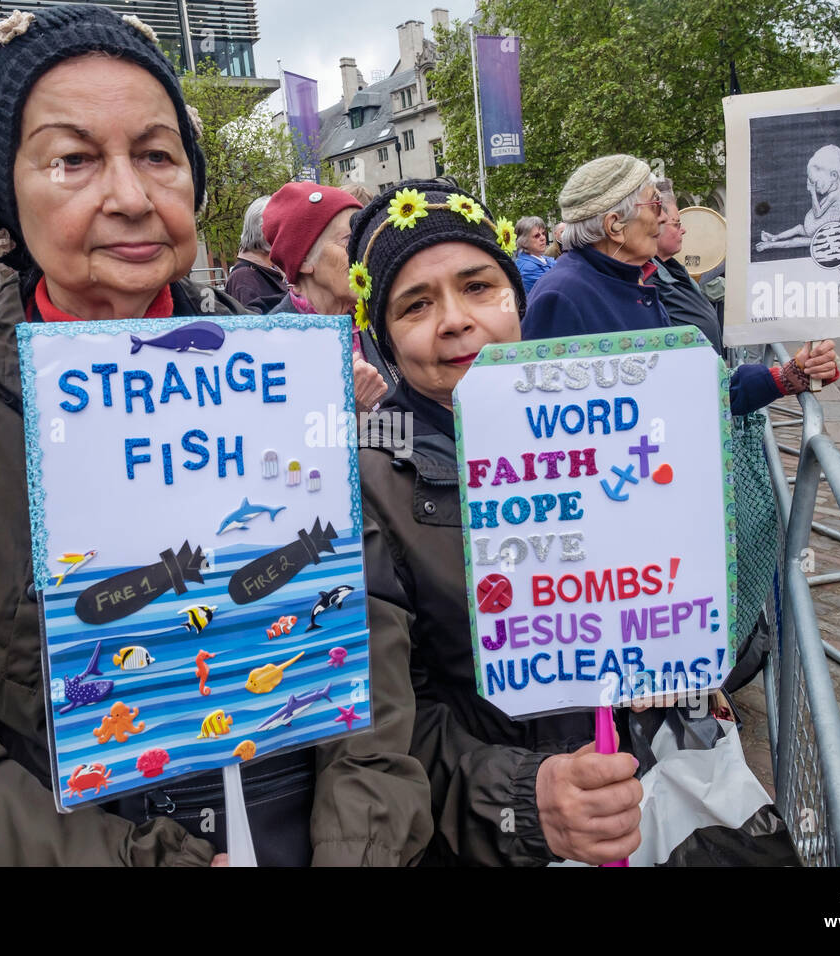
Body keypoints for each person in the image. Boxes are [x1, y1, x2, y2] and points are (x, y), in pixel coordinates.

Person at [0, 5, 430, 867]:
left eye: (157, 156)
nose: (131, 198)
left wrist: (358, 846)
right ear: (3, 196)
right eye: (73, 160)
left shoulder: (280, 371)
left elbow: (367, 633)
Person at [346, 180, 644, 865]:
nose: (454, 320)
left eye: (478, 286)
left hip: (618, 804)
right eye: (416, 304)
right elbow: (382, 731)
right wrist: (527, 798)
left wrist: (680, 673)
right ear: (385, 338)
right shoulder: (364, 482)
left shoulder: (601, 427)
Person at [525, 155, 838, 413]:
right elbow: (554, 429)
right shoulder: (563, 296)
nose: (663, 219)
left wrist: (789, 375)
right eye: (656, 206)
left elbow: (687, 390)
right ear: (615, 226)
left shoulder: (626, 278)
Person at [262, 182, 392, 409]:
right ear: (304, 260)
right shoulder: (270, 343)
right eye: (349, 241)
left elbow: (409, 425)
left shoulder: (375, 320)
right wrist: (353, 407)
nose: (364, 253)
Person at [646, 179, 724, 352]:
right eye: (676, 224)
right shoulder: (646, 279)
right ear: (654, 225)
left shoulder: (672, 269)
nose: (683, 230)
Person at [755, 144, 840, 251]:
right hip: (811, 230)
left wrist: (812, 193)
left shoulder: (834, 195)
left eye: (816, 183)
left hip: (821, 236)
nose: (815, 188)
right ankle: (775, 237)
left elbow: (817, 214)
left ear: (833, 176)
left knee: (795, 241)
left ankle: (769, 245)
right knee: (798, 228)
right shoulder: (832, 190)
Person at [222, 195, 287, 312]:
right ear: (266, 231)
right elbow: (252, 327)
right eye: (284, 228)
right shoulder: (244, 278)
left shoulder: (270, 269)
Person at [513, 215, 554, 293]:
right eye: (536, 236)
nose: (543, 238)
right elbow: (556, 286)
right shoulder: (527, 268)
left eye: (543, 233)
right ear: (524, 242)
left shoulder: (544, 259)